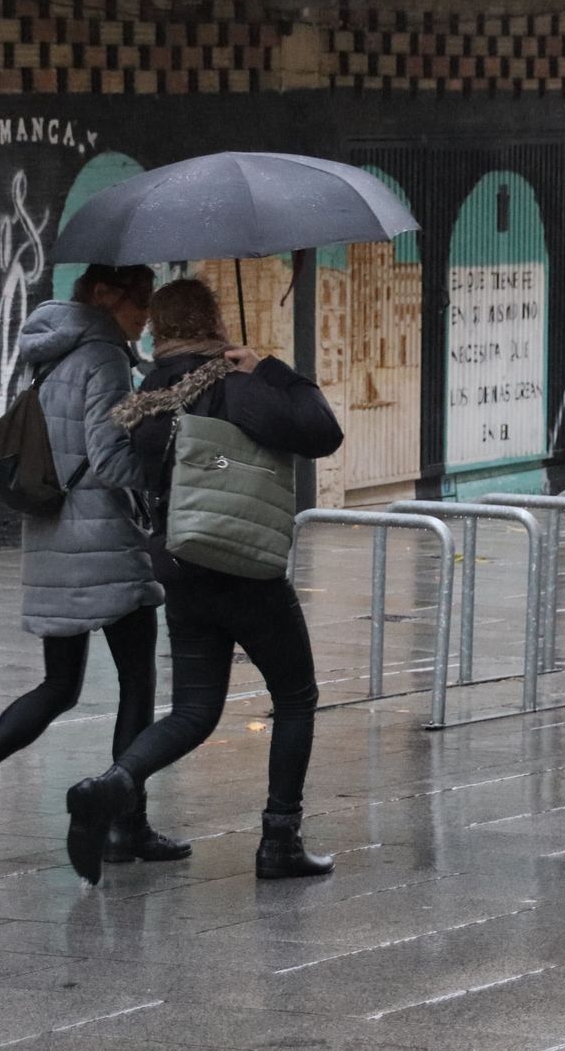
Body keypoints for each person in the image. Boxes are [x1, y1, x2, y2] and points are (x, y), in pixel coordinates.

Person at [61, 277, 344, 885]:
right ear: (212, 319)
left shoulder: (150, 392)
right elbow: (321, 432)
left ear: (159, 329)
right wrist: (268, 368)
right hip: (246, 565)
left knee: (194, 709)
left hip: (182, 566)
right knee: (295, 697)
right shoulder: (231, 382)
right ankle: (279, 842)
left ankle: (113, 784)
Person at [0, 264, 190, 867]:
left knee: (59, 685)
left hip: (52, 537)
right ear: (104, 296)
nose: (144, 313)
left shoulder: (51, 352)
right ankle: (126, 826)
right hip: (106, 543)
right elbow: (109, 460)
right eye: (138, 300)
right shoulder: (105, 359)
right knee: (138, 682)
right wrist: (166, 470)